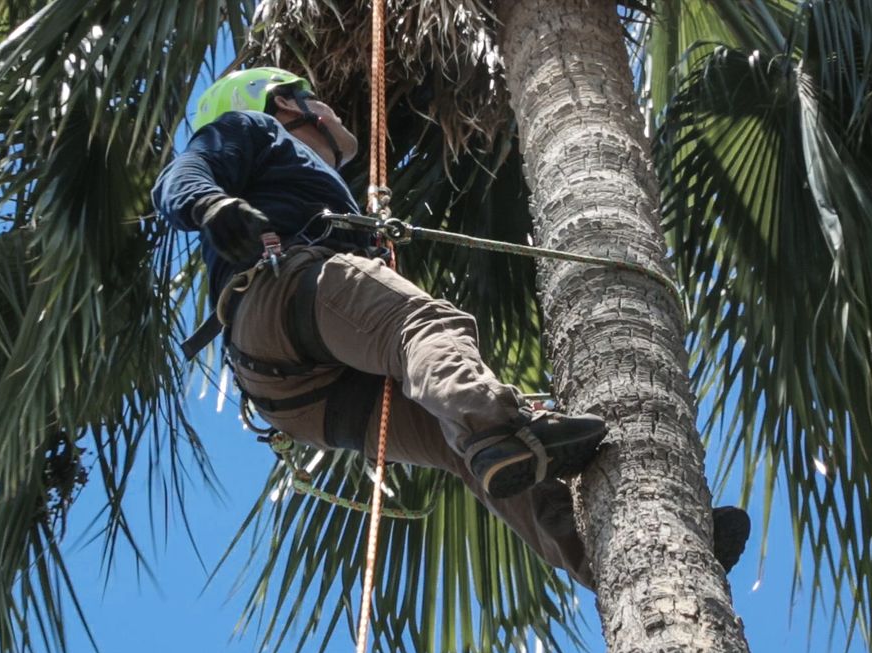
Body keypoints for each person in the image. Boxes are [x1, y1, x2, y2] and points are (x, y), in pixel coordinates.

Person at [152, 67, 748, 589]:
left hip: (290, 393)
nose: (328, 108)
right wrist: (210, 205)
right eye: (314, 98)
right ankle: (497, 423)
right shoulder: (256, 128)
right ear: (285, 102)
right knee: (424, 325)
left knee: (466, 446)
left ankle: (627, 563)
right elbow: (185, 171)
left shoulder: (304, 179)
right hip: (282, 294)